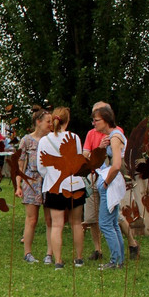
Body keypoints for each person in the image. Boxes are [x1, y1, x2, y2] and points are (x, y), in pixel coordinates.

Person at [37, 106, 86, 269]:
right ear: (68, 120)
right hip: (74, 184)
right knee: (76, 223)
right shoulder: (75, 137)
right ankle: (79, 258)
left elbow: (41, 167)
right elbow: (79, 160)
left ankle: (58, 260)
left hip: (53, 186)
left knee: (56, 225)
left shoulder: (44, 140)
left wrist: (51, 175)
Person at [92, 105, 128, 270]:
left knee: (106, 223)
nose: (94, 123)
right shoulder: (113, 136)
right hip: (111, 181)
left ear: (105, 120)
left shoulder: (115, 137)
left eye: (96, 120)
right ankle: (119, 259)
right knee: (112, 223)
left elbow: (116, 165)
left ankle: (115, 260)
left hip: (110, 182)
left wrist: (106, 182)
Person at [15, 107, 51, 263]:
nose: (51, 124)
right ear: (38, 122)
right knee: (32, 219)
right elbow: (20, 165)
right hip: (31, 181)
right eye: (48, 121)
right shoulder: (27, 140)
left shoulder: (51, 140)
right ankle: (27, 253)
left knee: (50, 219)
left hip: (49, 181)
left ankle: (49, 253)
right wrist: (18, 185)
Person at [81, 101, 109, 261]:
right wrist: (97, 149)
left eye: (96, 118)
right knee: (91, 216)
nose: (93, 121)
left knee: (116, 216)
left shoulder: (116, 133)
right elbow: (86, 154)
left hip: (108, 177)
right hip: (93, 176)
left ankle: (132, 243)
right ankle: (98, 249)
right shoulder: (91, 134)